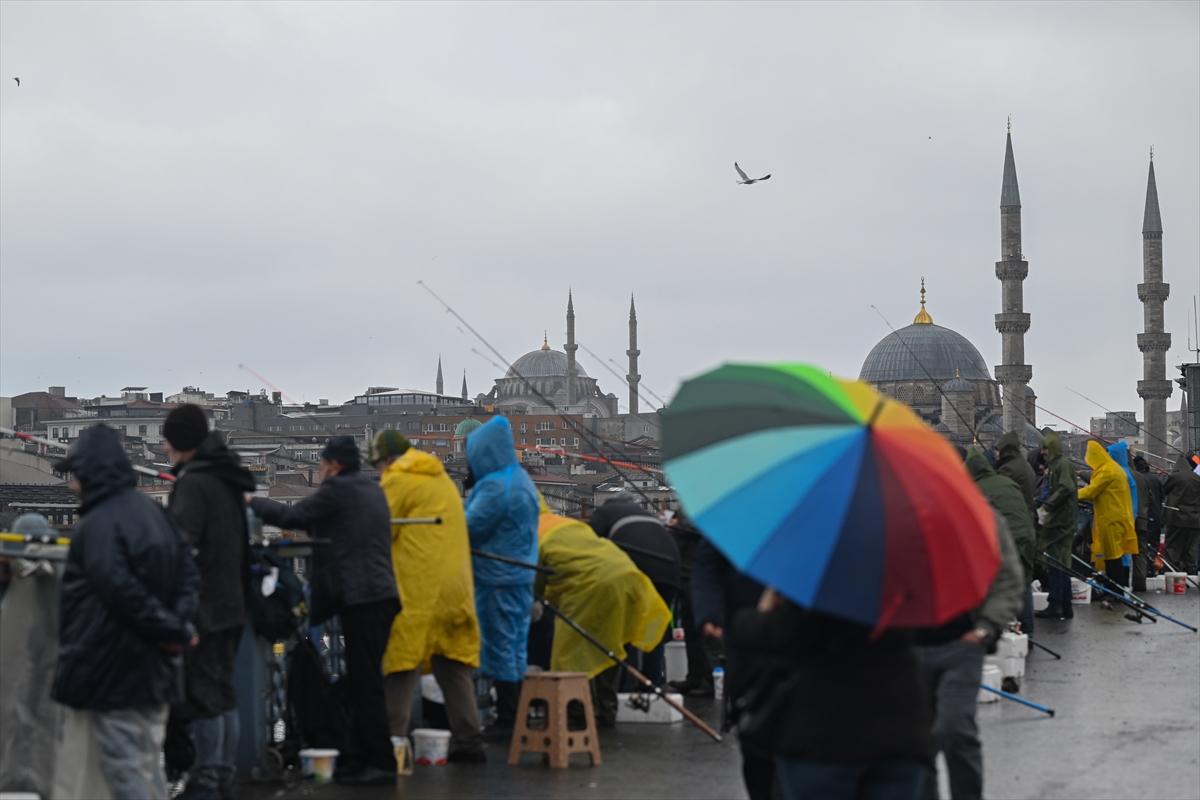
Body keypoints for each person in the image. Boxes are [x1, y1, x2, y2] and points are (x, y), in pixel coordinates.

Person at [50, 425, 200, 800]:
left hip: (113, 671)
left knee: (125, 770)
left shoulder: (98, 525)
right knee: (147, 764)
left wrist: (169, 630)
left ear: (90, 474)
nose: (72, 486)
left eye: (76, 476)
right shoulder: (155, 514)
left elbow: (118, 591)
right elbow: (188, 576)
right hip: (156, 671)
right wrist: (178, 628)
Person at [249, 435, 398, 785]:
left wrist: (251, 501)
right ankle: (359, 755)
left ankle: (378, 762)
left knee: (366, 684)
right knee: (365, 679)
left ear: (332, 464)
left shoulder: (338, 489)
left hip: (361, 597)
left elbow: (295, 515)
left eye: (321, 464)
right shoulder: (372, 489)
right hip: (382, 595)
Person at [734, 589, 934, 800]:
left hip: (826, 731)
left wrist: (753, 617)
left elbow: (788, 631)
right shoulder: (899, 579)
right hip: (900, 730)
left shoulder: (823, 578)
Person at [369, 430, 485, 763]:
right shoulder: (441, 478)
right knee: (452, 663)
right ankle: (470, 741)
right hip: (456, 588)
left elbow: (380, 530)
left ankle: (392, 745)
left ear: (387, 461)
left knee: (402, 662)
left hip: (419, 587)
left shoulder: (399, 479)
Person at [162, 405, 256, 800]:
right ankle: (222, 776)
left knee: (204, 697)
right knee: (224, 694)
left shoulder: (195, 484)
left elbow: (179, 548)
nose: (164, 448)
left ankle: (206, 779)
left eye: (167, 440)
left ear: (180, 442)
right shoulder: (227, 477)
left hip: (206, 606)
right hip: (233, 601)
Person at [915, 499, 1024, 800]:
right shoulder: (896, 517)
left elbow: (1008, 577)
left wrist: (984, 629)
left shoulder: (983, 518)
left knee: (954, 729)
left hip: (961, 643)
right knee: (915, 745)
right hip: (907, 648)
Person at [535, 505, 672, 727]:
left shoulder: (533, 533)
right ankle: (606, 712)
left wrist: (537, 601)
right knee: (610, 644)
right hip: (627, 576)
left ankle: (577, 714)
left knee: (570, 653)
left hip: (592, 585)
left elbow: (537, 582)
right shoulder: (568, 524)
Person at [462, 417, 539, 736]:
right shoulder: (519, 479)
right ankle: (515, 714)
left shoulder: (497, 485)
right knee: (515, 647)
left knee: (500, 646)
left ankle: (508, 720)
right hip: (519, 575)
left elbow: (468, 528)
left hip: (498, 577)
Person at [691, 538, 773, 800]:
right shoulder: (733, 523)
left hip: (801, 642)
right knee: (754, 736)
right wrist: (707, 613)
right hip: (748, 638)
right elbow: (707, 568)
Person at [588, 494, 682, 685]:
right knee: (655, 629)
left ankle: (625, 687)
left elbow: (590, 547)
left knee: (626, 628)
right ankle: (651, 686)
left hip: (638, 567)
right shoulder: (647, 517)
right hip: (671, 569)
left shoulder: (604, 513)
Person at [965, 448, 1037, 636]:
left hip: (1008, 537)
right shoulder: (1005, 481)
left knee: (1006, 583)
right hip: (1028, 534)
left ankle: (1012, 630)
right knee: (1023, 582)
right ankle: (1027, 632)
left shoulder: (978, 489)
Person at [667, 512, 718, 698]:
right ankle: (694, 677)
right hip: (684, 571)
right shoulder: (684, 503)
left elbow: (703, 524)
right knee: (689, 628)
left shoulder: (703, 502)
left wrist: (678, 524)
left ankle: (709, 680)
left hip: (695, 572)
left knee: (702, 628)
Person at [1077, 441, 1138, 592]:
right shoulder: (1114, 469)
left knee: (1112, 557)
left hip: (1111, 519)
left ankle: (1114, 591)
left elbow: (1091, 491)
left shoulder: (1107, 471)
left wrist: (1070, 494)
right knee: (1114, 556)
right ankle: (1114, 589)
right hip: (1116, 517)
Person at [1035, 432, 1079, 620]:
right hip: (1060, 520)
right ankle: (1065, 604)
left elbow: (1066, 488)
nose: (1042, 452)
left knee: (1055, 563)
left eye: (1044, 448)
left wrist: (1049, 503)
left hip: (1061, 521)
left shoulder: (1061, 465)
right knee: (1060, 563)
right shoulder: (1056, 466)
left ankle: (1056, 604)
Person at [1162, 452, 1200, 574]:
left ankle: (1171, 571)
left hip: (1176, 518)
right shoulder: (1197, 478)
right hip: (1194, 519)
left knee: (1173, 546)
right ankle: (1191, 572)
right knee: (1191, 548)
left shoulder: (1176, 476)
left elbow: (1164, 490)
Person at [1130, 454, 1160, 592]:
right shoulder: (1154, 479)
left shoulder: (1136, 477)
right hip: (1154, 517)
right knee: (1149, 547)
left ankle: (1127, 580)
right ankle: (1148, 572)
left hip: (1138, 518)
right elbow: (1156, 497)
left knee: (1136, 549)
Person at [993, 430, 1037, 524]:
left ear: (1004, 450)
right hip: (1025, 517)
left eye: (998, 451)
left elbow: (998, 494)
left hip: (1015, 521)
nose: (996, 454)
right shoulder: (1023, 464)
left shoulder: (1009, 469)